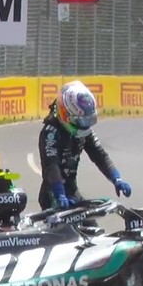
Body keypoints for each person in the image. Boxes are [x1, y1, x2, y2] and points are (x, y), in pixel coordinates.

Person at [37, 80, 132, 210]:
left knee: (91, 222)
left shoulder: (84, 132)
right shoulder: (50, 133)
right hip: (54, 195)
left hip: (73, 193)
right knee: (67, 222)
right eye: (80, 121)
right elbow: (51, 166)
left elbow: (100, 155)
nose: (84, 126)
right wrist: (60, 195)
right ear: (64, 114)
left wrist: (117, 179)